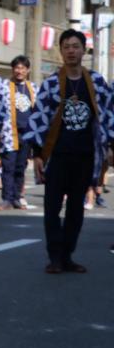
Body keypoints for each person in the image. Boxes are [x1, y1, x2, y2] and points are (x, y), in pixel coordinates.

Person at [25, 29, 114, 274]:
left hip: (85, 154)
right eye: (66, 46)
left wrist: (109, 146)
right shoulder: (52, 83)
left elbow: (108, 116)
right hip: (58, 155)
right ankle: (54, 257)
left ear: (83, 50)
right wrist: (38, 154)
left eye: (76, 46)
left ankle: (67, 256)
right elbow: (39, 118)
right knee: (52, 208)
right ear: (61, 51)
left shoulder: (96, 82)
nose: (71, 51)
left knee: (76, 209)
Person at [0, 55, 36, 211]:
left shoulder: (32, 88)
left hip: (26, 134)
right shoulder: (4, 86)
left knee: (21, 167)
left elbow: (36, 111)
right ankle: (7, 199)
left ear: (27, 70)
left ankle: (17, 197)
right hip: (8, 133)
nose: (19, 71)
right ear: (12, 69)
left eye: (23, 68)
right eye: (17, 68)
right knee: (8, 166)